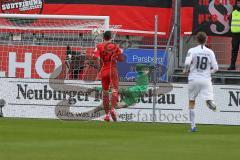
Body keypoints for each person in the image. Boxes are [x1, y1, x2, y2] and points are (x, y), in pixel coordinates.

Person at [184, 32, 219, 132]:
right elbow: (216, 68)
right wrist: (209, 72)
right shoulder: (210, 52)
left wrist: (186, 71)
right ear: (206, 40)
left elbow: (187, 63)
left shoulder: (192, 50)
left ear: (196, 40)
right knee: (209, 99)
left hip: (193, 79)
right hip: (206, 79)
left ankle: (193, 126)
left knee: (191, 102)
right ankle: (210, 102)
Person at [94, 31, 123, 122]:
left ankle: (106, 115)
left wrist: (99, 69)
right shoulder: (115, 46)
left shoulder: (99, 46)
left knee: (105, 93)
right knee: (114, 89)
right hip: (112, 69)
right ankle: (113, 109)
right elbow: (120, 58)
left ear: (103, 37)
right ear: (111, 37)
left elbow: (96, 58)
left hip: (104, 70)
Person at [228, 0, 240, 70]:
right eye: (238, 3)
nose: (239, 4)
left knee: (234, 50)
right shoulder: (233, 12)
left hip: (236, 34)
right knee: (234, 50)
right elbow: (230, 22)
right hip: (235, 35)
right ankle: (232, 65)